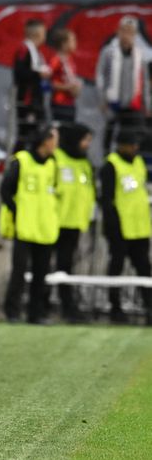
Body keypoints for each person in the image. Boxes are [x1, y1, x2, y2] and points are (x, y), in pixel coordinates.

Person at [0, 125, 60, 324]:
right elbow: (5, 191)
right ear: (45, 141)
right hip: (25, 227)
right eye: (54, 139)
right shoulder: (21, 161)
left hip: (45, 228)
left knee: (41, 273)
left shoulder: (53, 164)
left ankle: (36, 313)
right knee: (19, 271)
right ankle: (12, 311)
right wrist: (18, 211)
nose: (56, 144)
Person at [99, 130, 152, 325]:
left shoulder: (138, 163)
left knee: (144, 269)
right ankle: (115, 308)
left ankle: (149, 307)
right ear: (120, 145)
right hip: (120, 228)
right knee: (117, 268)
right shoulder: (111, 165)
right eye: (131, 144)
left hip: (140, 227)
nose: (135, 148)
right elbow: (106, 199)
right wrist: (112, 226)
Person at [52, 122, 95, 322]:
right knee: (46, 266)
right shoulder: (56, 159)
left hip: (74, 224)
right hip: (53, 222)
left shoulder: (84, 164)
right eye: (85, 140)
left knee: (66, 267)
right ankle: (41, 303)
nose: (87, 144)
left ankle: (68, 307)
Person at [96, 15, 149, 152]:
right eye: (124, 31)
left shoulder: (140, 55)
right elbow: (100, 75)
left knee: (136, 133)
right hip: (113, 101)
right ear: (118, 31)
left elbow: (144, 81)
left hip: (133, 103)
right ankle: (107, 159)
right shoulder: (109, 52)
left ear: (135, 34)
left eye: (130, 32)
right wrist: (102, 98)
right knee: (109, 134)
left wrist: (147, 104)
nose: (127, 35)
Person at [13, 19, 51, 146]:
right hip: (28, 101)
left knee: (36, 131)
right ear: (38, 34)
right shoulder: (24, 50)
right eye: (44, 33)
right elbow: (19, 73)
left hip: (36, 99)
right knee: (26, 133)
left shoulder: (37, 52)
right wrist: (38, 74)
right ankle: (17, 161)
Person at [49, 28, 82, 123]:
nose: (75, 43)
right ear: (64, 44)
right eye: (72, 40)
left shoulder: (70, 60)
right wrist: (68, 87)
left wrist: (76, 88)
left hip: (70, 102)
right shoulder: (56, 60)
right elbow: (50, 82)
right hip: (59, 102)